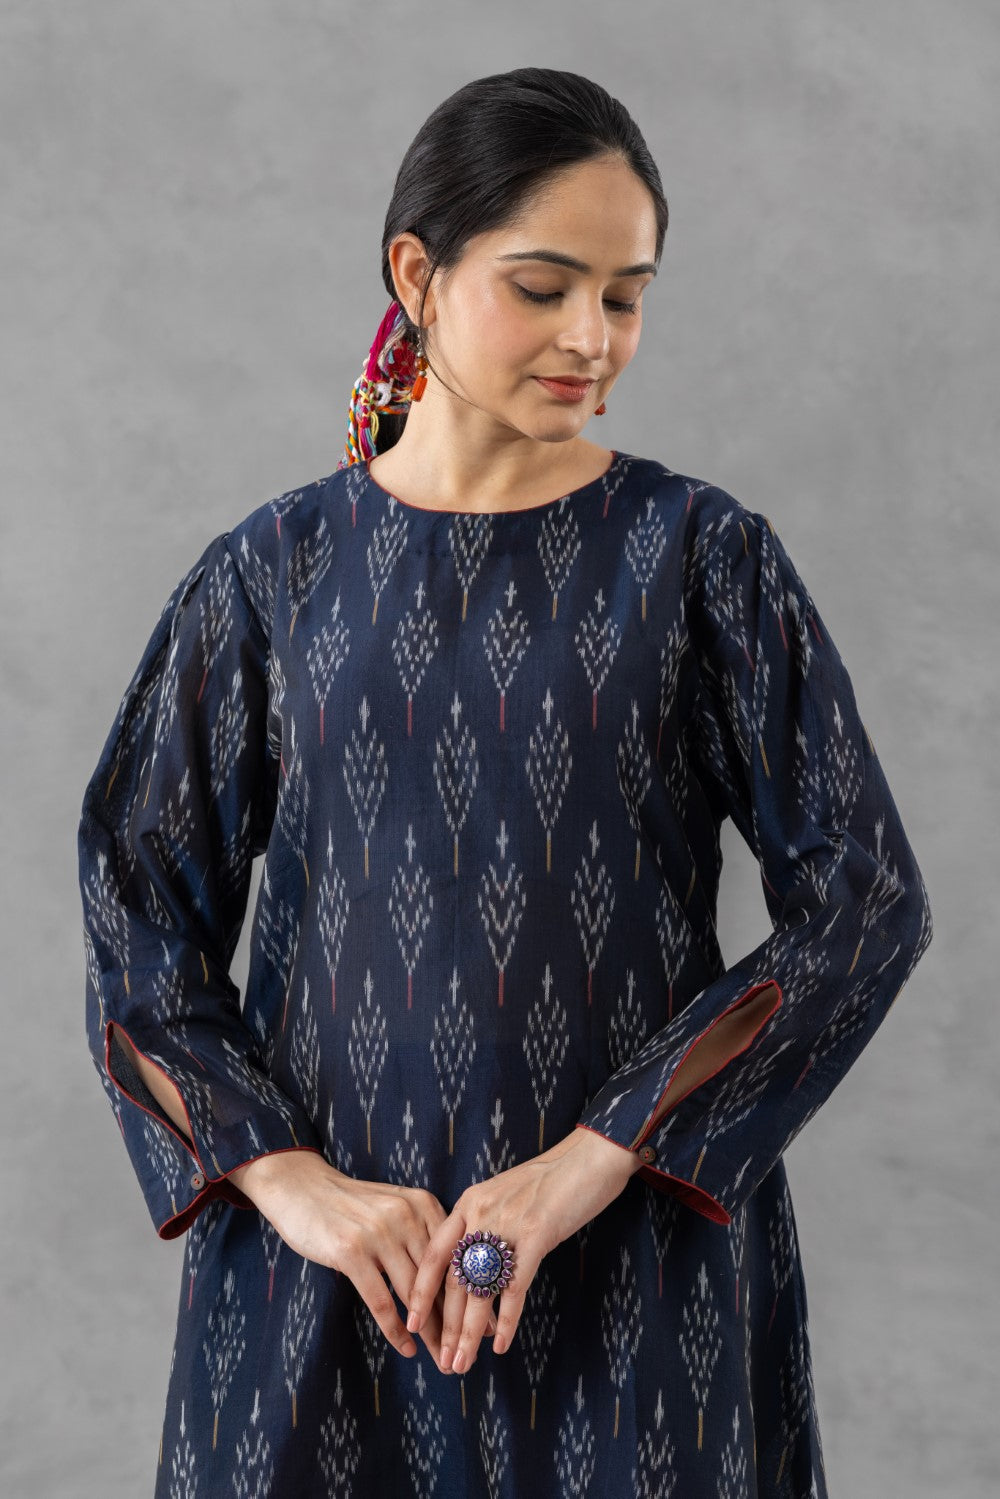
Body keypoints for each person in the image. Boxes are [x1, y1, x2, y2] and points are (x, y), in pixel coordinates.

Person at [77, 66, 933, 1498]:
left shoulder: (701, 562)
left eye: (626, 297)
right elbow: (135, 905)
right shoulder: (272, 577)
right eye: (544, 287)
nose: (591, 337)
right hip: (327, 1297)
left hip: (632, 1283)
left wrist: (603, 1152)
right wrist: (290, 1183)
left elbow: (867, 902)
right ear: (417, 273)